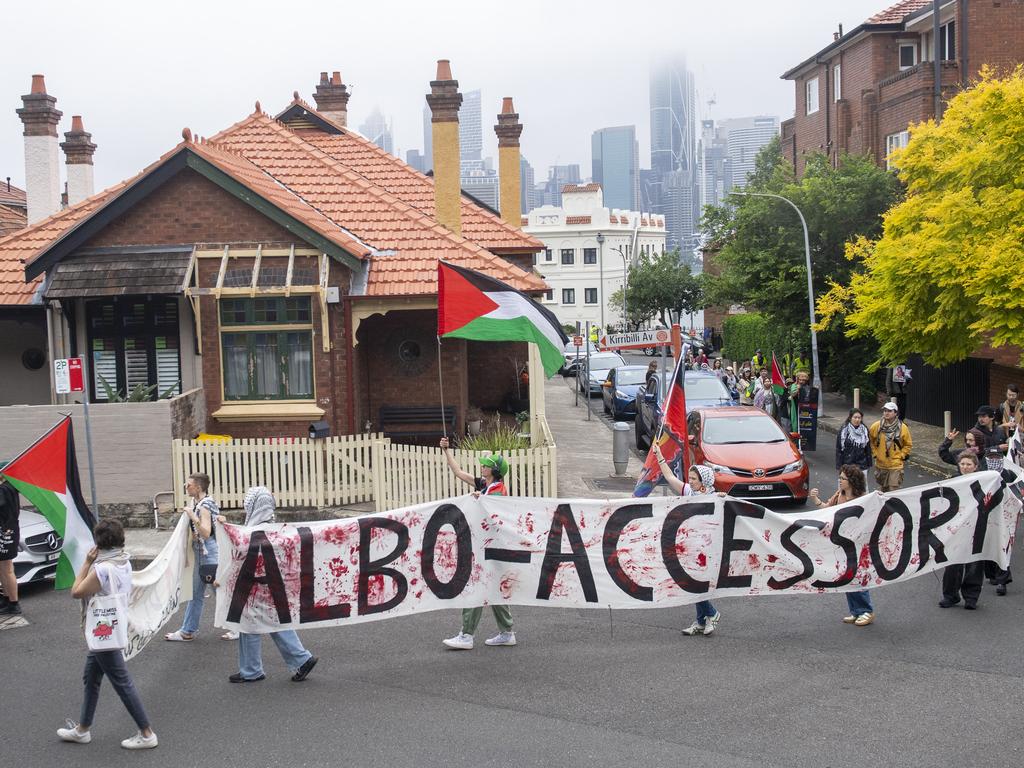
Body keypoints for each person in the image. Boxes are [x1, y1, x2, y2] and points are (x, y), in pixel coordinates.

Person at [58, 519, 157, 749]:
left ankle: (147, 733)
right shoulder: (124, 561)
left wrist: (86, 563)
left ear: (98, 543)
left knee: (122, 682)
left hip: (104, 632)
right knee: (90, 678)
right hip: (113, 624)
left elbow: (76, 591)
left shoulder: (103, 568)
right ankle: (82, 729)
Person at [231, 486, 319, 682]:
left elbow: (245, 553)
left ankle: (253, 669)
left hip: (258, 584)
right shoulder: (275, 527)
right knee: (269, 620)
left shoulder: (256, 530)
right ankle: (298, 659)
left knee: (253, 623)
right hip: (273, 583)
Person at [439, 436, 516, 650]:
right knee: (493, 590)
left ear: (495, 470)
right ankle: (507, 632)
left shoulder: (498, 490)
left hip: (490, 548)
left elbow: (491, 510)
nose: (483, 467)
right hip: (491, 547)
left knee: (475, 588)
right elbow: (459, 473)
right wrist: (446, 451)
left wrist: (479, 499)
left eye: (487, 465)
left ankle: (466, 635)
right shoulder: (485, 485)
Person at [653, 443, 724, 637]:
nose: (690, 481)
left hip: (707, 549)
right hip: (690, 546)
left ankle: (711, 613)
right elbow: (669, 477)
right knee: (691, 583)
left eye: (694, 478)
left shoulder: (715, 496)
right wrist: (659, 455)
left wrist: (723, 498)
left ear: (704, 480)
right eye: (690, 478)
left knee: (695, 584)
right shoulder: (690, 492)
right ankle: (702, 621)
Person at [809, 465, 875, 626]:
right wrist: (815, 499)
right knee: (847, 577)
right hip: (841, 543)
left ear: (852, 481)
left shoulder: (863, 499)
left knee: (858, 577)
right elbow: (826, 509)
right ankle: (856, 610)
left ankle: (866, 610)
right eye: (839, 477)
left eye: (843, 478)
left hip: (858, 545)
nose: (840, 481)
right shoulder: (840, 495)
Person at [165, 472, 220, 642]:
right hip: (200, 553)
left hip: (209, 553)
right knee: (196, 593)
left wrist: (191, 515)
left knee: (221, 593)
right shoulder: (196, 502)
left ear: (198, 487)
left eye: (188, 484)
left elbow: (205, 532)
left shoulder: (204, 505)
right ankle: (187, 631)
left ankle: (240, 627)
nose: (185, 487)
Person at [939, 452, 986, 609]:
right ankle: (950, 595)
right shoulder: (952, 481)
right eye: (963, 464)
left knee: (974, 563)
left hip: (976, 527)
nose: (965, 467)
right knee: (953, 563)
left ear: (975, 466)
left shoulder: (984, 481)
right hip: (956, 528)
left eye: (969, 464)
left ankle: (971, 597)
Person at [868, 402, 912, 492]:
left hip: (895, 464)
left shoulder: (903, 428)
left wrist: (901, 455)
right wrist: (875, 453)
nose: (886, 413)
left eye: (889, 411)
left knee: (893, 490)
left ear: (895, 413)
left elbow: (908, 444)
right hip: (881, 464)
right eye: (885, 411)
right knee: (883, 490)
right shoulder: (876, 426)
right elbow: (870, 440)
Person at [0, 476, 21, 616]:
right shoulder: (12, 487)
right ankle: (6, 598)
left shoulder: (4, 490)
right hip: (9, 530)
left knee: (7, 569)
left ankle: (14, 603)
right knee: (2, 567)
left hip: (5, 531)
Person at [972, 405, 1008, 472]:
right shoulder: (974, 433)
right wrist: (997, 448)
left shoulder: (1000, 430)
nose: (980, 419)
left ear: (992, 417)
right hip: (982, 468)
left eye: (983, 416)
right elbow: (975, 451)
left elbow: (1005, 446)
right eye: (979, 416)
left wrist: (1009, 443)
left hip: (1000, 466)